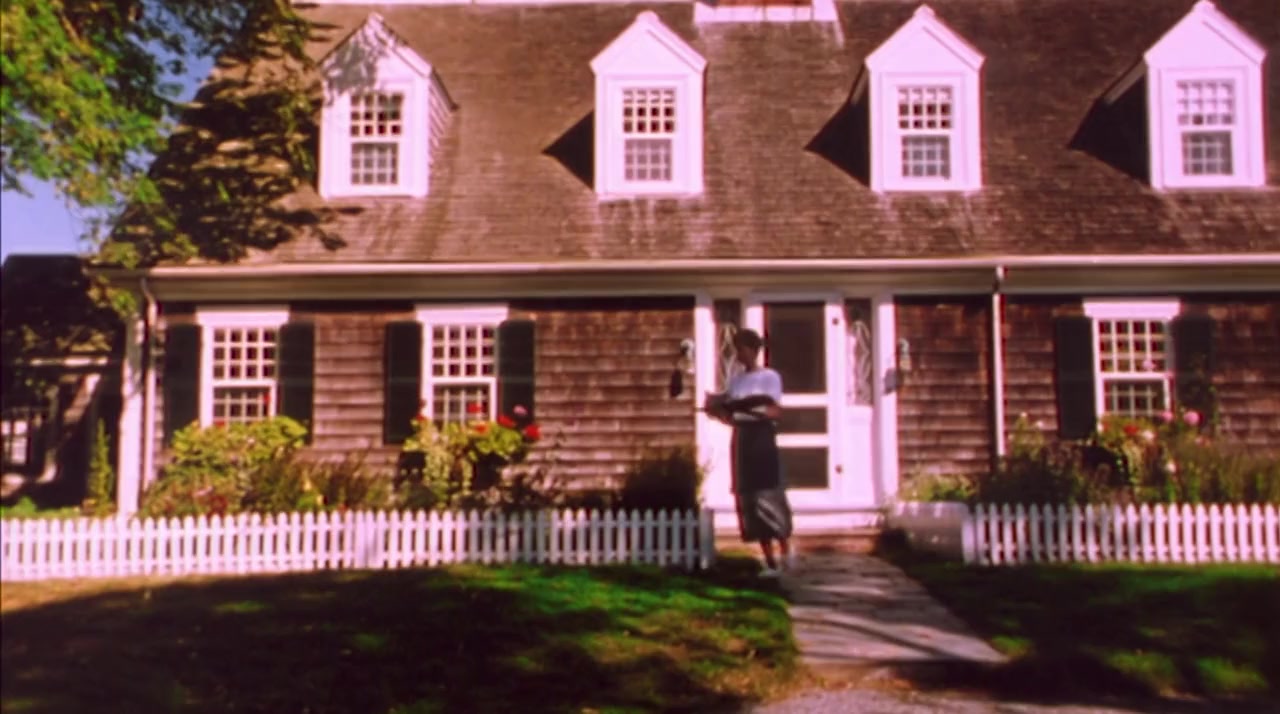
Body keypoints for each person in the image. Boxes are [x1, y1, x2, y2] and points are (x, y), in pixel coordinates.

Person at [706, 328, 795, 576]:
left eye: (743, 349)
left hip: (762, 438)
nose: (740, 355)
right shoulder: (736, 381)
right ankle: (769, 561)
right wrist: (720, 411)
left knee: (769, 493)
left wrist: (753, 411)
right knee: (750, 497)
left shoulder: (769, 377)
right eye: (737, 350)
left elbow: (774, 410)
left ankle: (786, 551)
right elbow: (730, 413)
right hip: (743, 438)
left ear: (755, 350)